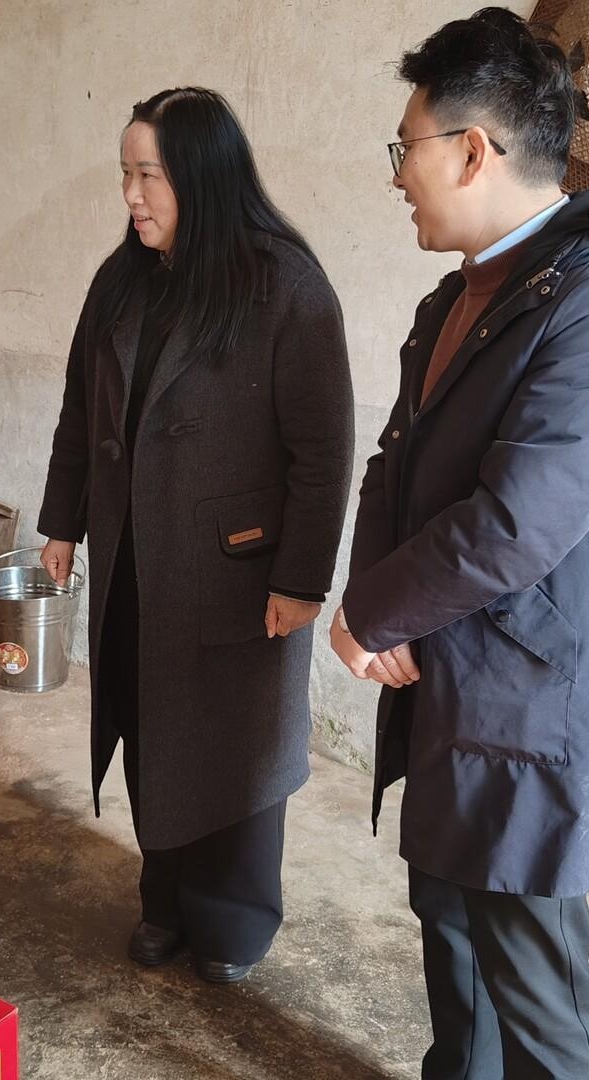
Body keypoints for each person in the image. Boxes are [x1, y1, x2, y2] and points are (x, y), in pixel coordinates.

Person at [329, 10, 589, 1079]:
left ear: (473, 151)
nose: (398, 174)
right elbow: (397, 464)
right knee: (451, 925)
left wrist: (369, 615)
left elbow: (516, 523)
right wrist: (375, 601)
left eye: (407, 146)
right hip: (453, 668)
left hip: (534, 696)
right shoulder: (466, 292)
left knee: (533, 975)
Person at [38, 87, 354, 985]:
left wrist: (301, 579)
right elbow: (79, 412)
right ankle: (165, 901)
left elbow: (323, 451)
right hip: (138, 556)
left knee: (235, 746)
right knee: (152, 727)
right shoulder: (123, 278)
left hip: (239, 570)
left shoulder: (283, 285)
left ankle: (235, 921)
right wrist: (62, 524)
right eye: (125, 174)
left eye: (150, 176)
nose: (131, 196)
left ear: (204, 176)